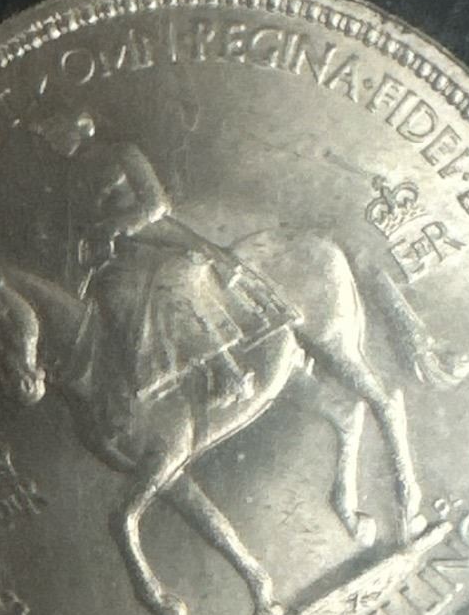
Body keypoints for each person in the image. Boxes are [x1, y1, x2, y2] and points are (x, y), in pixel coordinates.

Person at [29, 109, 294, 409]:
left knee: (169, 284)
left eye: (57, 132)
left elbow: (156, 205)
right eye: (49, 137)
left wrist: (116, 226)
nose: (53, 142)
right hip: (119, 254)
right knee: (111, 300)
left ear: (82, 127)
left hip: (159, 238)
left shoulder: (123, 154)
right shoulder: (74, 176)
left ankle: (227, 370)